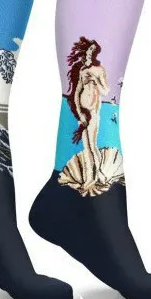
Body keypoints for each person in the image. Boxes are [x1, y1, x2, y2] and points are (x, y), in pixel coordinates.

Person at [64, 37, 109, 190]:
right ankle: (94, 176)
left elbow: (106, 91)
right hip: (83, 113)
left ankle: (95, 176)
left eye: (93, 50)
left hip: (93, 112)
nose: (90, 52)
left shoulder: (99, 70)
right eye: (89, 49)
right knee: (86, 146)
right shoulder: (83, 70)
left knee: (92, 145)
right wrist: (79, 112)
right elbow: (77, 93)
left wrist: (95, 80)